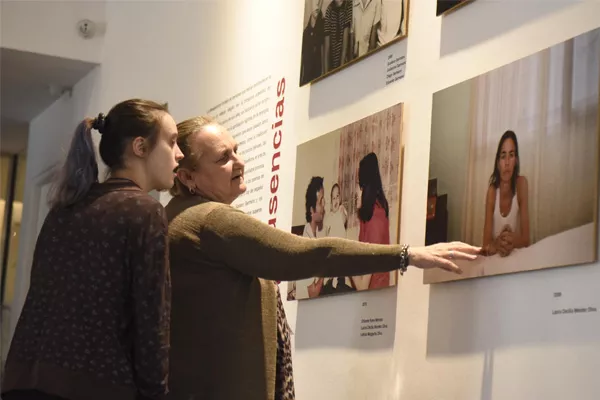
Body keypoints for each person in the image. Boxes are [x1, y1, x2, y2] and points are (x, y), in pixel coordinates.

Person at [164, 115, 480, 400]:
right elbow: (312, 254)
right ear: (188, 177)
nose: (240, 162)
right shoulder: (209, 219)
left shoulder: (175, 218)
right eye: (223, 158)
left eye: (235, 150)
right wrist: (408, 255)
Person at [1, 99, 184, 400]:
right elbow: (152, 318)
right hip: (95, 386)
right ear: (140, 147)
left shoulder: (64, 209)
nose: (180, 154)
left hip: (24, 380)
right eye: (172, 142)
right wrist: (156, 393)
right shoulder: (144, 210)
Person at [482, 130, 530, 257]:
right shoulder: (492, 192)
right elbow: (485, 246)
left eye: (511, 155)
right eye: (503, 156)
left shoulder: (522, 184)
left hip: (514, 258)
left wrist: (512, 240)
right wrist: (497, 244)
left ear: (516, 161)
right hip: (495, 259)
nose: (507, 162)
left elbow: (526, 240)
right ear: (498, 163)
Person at [351, 152, 392, 291]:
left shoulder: (376, 218)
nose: (357, 191)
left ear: (365, 187)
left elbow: (362, 286)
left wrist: (344, 263)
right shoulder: (369, 215)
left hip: (375, 296)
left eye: (359, 185)